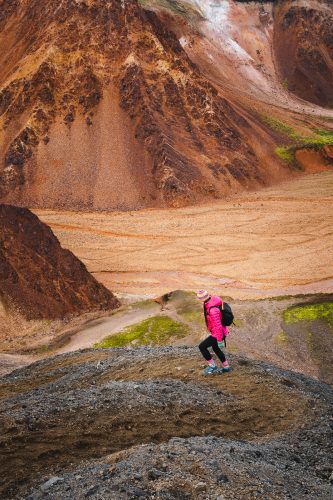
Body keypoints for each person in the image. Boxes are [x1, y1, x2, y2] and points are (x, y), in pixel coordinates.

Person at [197, 290, 231, 375]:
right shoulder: (211, 302)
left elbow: (218, 326)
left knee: (202, 346)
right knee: (216, 348)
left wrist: (219, 340)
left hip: (218, 333)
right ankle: (226, 367)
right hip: (220, 332)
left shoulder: (213, 310)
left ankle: (212, 366)